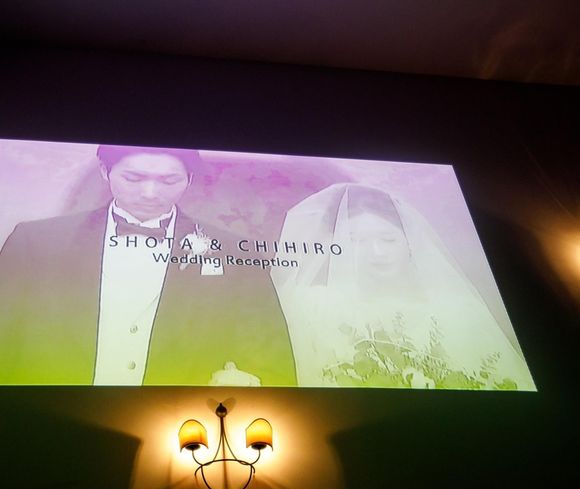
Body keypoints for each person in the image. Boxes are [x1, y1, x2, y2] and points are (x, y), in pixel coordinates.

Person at [0, 144, 296, 386]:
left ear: (189, 179)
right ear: (105, 171)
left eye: (168, 181)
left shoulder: (235, 253)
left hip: (178, 424)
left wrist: (246, 381)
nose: (150, 193)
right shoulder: (35, 242)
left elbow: (268, 357)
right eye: (133, 178)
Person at [271, 183, 536, 390]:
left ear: (410, 242)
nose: (376, 253)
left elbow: (503, 378)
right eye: (356, 242)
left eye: (387, 239)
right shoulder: (320, 305)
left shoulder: (455, 308)